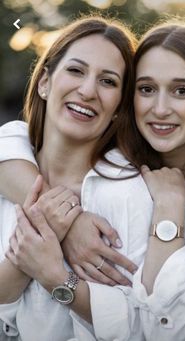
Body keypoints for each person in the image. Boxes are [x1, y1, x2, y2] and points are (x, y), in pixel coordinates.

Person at [1, 17, 185, 341]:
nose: (161, 108)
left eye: (182, 90)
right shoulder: (120, 165)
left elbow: (171, 332)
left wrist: (169, 208)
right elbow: (12, 138)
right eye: (146, 89)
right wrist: (69, 222)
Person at [0, 15, 156, 341]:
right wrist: (61, 225)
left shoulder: (129, 194)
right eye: (75, 70)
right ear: (44, 82)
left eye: (108, 81)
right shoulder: (11, 160)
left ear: (119, 107)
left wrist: (57, 276)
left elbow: (144, 325)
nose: (87, 91)